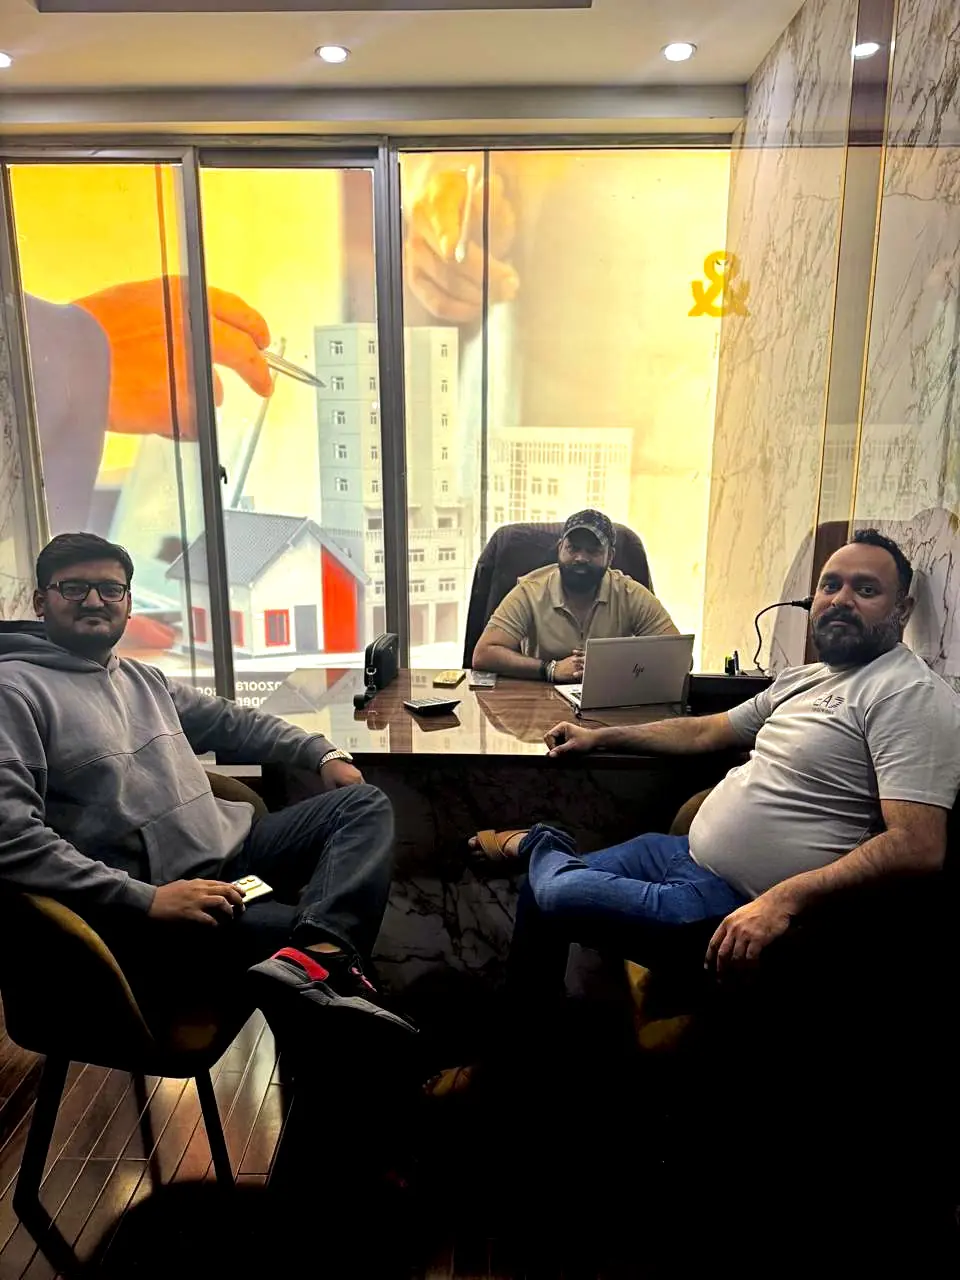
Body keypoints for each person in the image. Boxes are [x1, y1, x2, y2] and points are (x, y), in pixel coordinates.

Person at [470, 529, 960, 996]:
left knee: (557, 893)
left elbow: (917, 845)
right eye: (830, 585)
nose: (840, 600)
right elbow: (709, 729)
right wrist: (599, 736)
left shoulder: (908, 694)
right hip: (682, 855)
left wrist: (783, 899)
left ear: (902, 609)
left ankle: (539, 841)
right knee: (541, 894)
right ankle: (526, 1039)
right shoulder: (809, 678)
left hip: (732, 903)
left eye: (866, 590)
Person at [0, 531, 414, 1052]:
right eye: (74, 588)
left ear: (128, 602)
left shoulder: (140, 678)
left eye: (110, 589)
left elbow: (230, 721)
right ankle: (350, 1029)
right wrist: (146, 899)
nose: (94, 601)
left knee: (361, 805)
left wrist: (320, 752)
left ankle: (315, 959)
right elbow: (10, 838)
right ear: (41, 601)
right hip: (165, 905)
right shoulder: (14, 692)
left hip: (232, 855)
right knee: (334, 954)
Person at [472, 509, 678, 683]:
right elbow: (484, 654)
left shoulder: (629, 593)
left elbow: (679, 658)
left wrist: (612, 665)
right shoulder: (530, 591)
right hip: (541, 703)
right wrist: (549, 669)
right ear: (560, 548)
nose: (581, 558)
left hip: (609, 701)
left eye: (593, 551)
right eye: (573, 548)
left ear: (610, 557)